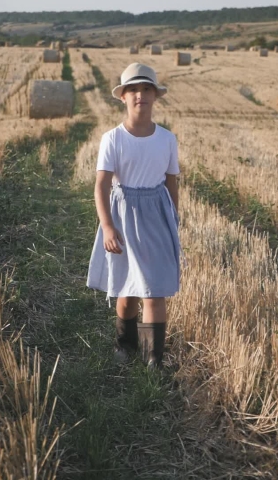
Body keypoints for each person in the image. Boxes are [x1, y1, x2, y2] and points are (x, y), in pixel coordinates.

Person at [86, 63, 181, 369]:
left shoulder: (167, 139)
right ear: (123, 97)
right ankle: (124, 343)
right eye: (134, 90)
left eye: (146, 89)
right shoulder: (113, 139)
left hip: (156, 213)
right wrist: (108, 226)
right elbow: (101, 185)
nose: (141, 95)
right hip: (123, 213)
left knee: (155, 290)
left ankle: (154, 360)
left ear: (155, 96)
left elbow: (171, 182)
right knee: (128, 291)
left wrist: (174, 220)